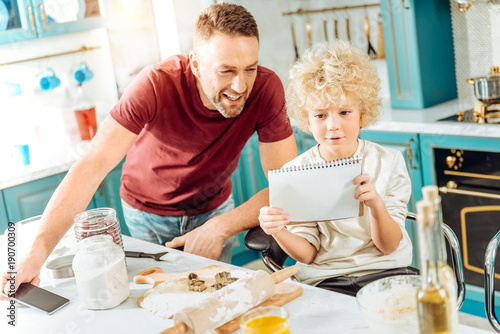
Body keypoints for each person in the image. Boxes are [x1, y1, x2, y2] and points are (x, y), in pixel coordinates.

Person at [1, 3, 297, 295]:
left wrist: (219, 227)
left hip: (213, 208)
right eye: (226, 70)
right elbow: (91, 166)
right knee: (160, 298)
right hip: (147, 215)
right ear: (195, 64)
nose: (240, 85)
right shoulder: (155, 84)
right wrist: (34, 255)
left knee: (214, 298)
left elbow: (288, 184)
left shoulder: (266, 89)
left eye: (250, 68)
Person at [258, 40, 417, 297]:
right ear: (306, 119)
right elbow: (308, 255)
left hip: (387, 273)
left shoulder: (389, 162)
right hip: (325, 280)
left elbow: (388, 247)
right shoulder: (297, 172)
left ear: (362, 113)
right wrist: (278, 231)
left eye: (344, 112)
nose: (333, 125)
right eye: (320, 115)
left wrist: (376, 205)